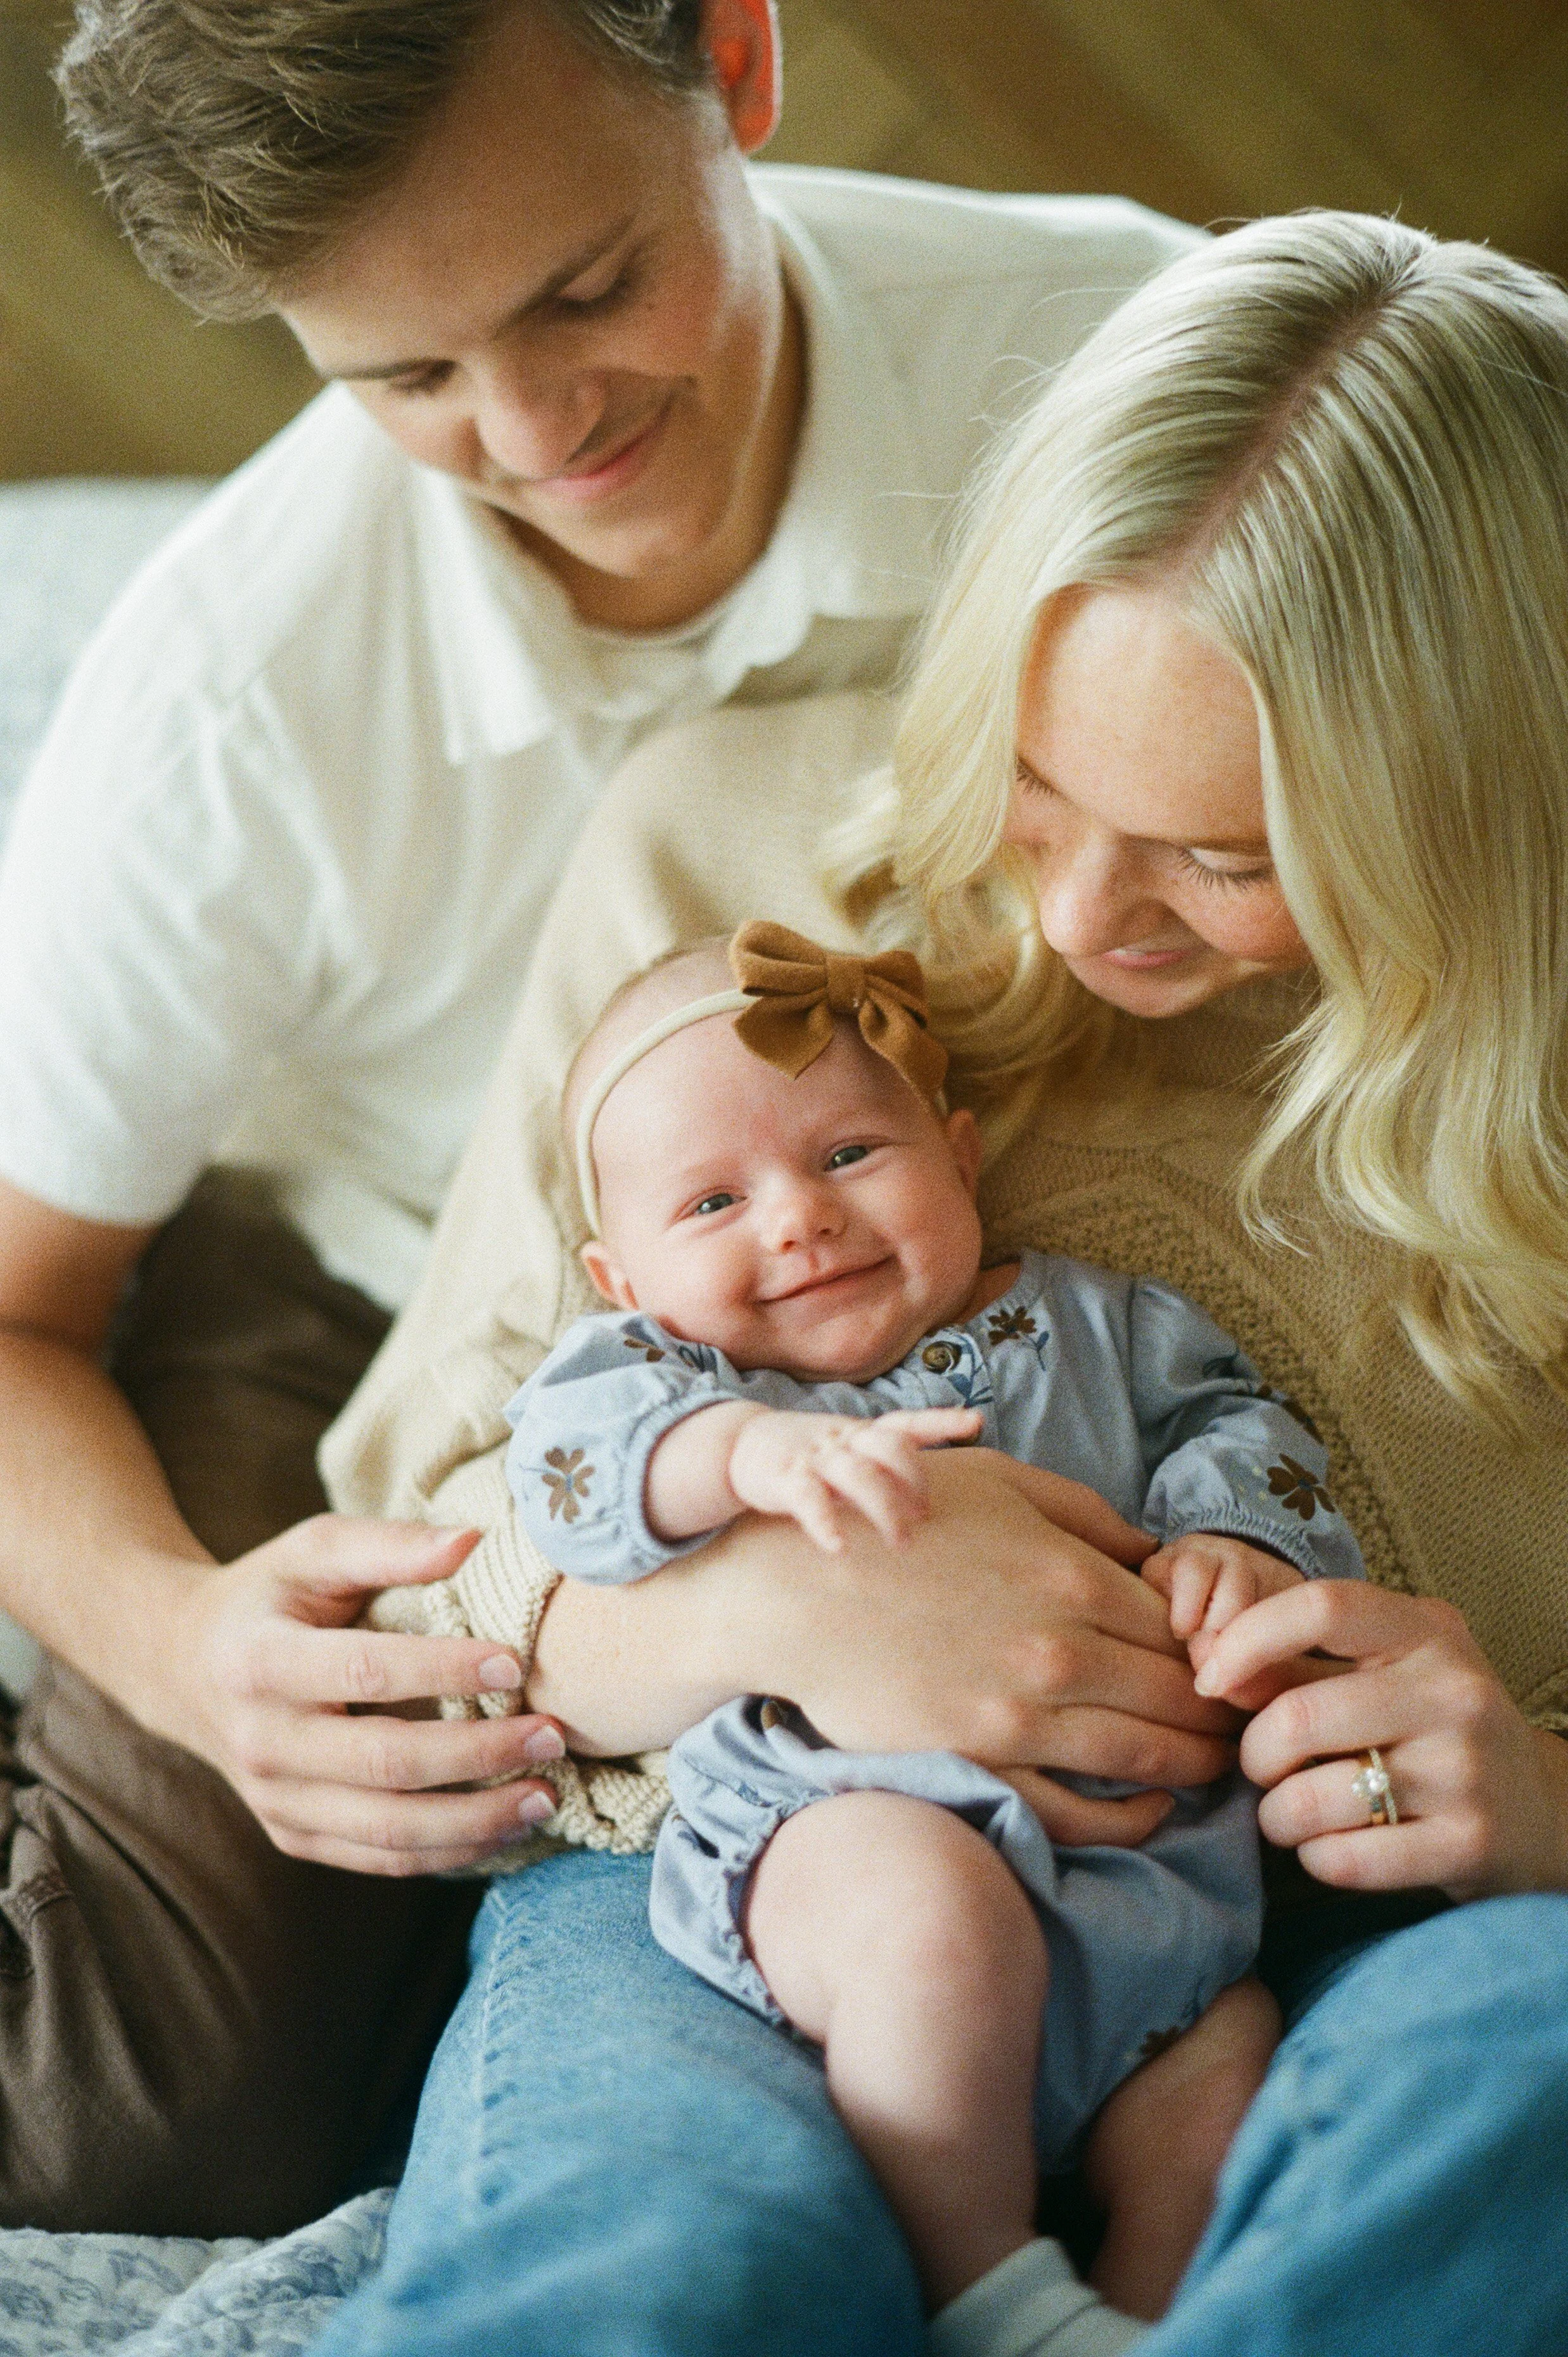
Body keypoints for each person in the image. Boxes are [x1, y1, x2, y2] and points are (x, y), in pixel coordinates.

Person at [315, 211, 1568, 2357]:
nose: (1085, 909)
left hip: (1329, 1930)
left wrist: (1538, 1807)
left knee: (1518, 2064)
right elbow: (406, 1571)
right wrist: (763, 1608)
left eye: (1224, 854)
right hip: (724, 1863)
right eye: (1034, 782)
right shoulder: (722, 854)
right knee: (659, 2269)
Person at [0, 0, 1201, 2230]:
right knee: (153, 2106)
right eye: (404, 377)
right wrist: (182, 1643)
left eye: (586, 290)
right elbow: (10, 1309)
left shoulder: (1130, 356)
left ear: (734, 62)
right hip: (378, 1283)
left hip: (1049, 1201)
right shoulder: (224, 709)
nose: (541, 429)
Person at [505, 923, 1363, 2332]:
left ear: (959, 1157)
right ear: (622, 1282)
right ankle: (987, 2288)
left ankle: (1146, 2321)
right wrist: (734, 1457)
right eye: (712, 1203)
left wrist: (1232, 1542)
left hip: (1154, 1915)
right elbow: (568, 1470)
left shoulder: (1102, 1325)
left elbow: (1241, 1420)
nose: (798, 1218)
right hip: (848, 1844)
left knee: (1226, 2091)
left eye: (848, 1155)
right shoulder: (672, 1377)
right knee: (938, 1934)